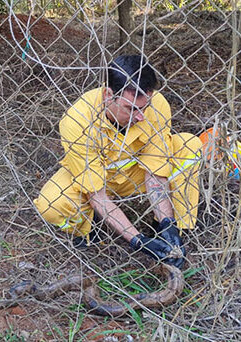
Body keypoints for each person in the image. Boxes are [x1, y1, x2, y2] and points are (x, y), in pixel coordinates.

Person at [34, 55, 203, 269]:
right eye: (131, 109)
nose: (141, 116)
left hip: (136, 174)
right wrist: (137, 240)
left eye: (145, 107)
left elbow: (156, 172)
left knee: (189, 145)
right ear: (108, 95)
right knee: (53, 204)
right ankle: (89, 226)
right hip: (95, 185)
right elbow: (97, 194)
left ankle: (171, 230)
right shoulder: (77, 120)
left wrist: (167, 223)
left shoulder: (158, 105)